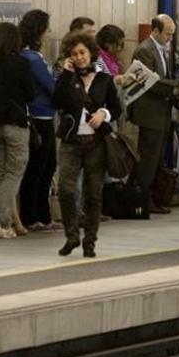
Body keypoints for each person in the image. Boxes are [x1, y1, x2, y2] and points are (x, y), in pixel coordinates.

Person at [52, 32, 120, 257]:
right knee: (66, 189)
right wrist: (65, 75)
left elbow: (116, 108)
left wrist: (103, 113)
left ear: (91, 53)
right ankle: (71, 235)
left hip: (95, 142)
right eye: (74, 54)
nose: (79, 57)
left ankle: (90, 241)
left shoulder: (104, 80)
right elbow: (56, 101)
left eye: (82, 52)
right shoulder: (67, 78)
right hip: (71, 141)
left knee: (94, 193)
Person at [0, 22, 35, 239]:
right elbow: (30, 93)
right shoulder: (22, 63)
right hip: (15, 123)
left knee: (4, 173)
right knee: (14, 173)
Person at [129, 14, 179, 214]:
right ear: (155, 31)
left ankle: (151, 197)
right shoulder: (144, 50)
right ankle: (140, 198)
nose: (170, 38)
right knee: (148, 158)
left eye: (172, 34)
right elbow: (149, 81)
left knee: (156, 157)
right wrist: (176, 87)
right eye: (167, 34)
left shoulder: (162, 50)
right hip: (150, 113)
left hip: (161, 112)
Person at [18, 9, 56, 233]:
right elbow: (49, 85)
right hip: (38, 115)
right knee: (38, 167)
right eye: (47, 28)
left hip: (46, 114)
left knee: (47, 165)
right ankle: (31, 214)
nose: (50, 33)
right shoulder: (31, 58)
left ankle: (42, 213)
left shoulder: (33, 56)